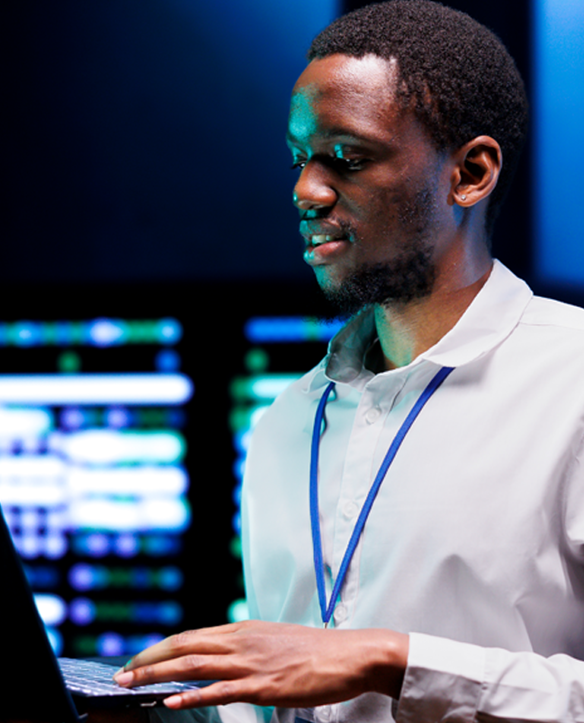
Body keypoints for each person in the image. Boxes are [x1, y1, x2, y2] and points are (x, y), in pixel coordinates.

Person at [113, 1, 584, 722]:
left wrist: (392, 658)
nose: (306, 190)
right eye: (301, 158)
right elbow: (281, 697)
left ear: (471, 173)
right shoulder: (286, 422)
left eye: (348, 158)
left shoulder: (572, 384)